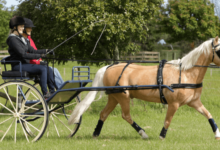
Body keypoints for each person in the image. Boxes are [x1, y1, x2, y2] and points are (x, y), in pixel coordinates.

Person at [7, 16, 55, 99]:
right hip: (18, 65)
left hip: (25, 64)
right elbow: (23, 55)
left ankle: (52, 91)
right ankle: (45, 93)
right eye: (21, 26)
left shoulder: (22, 38)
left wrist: (46, 51)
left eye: (23, 26)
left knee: (47, 68)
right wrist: (40, 56)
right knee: (42, 69)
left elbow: (33, 51)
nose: (23, 28)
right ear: (15, 27)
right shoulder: (12, 39)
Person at [22, 18, 64, 89]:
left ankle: (59, 89)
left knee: (54, 70)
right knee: (53, 70)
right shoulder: (25, 41)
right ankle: (61, 89)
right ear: (24, 29)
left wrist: (46, 51)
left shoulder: (29, 39)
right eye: (29, 28)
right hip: (31, 64)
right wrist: (39, 62)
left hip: (35, 63)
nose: (31, 30)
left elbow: (35, 51)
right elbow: (29, 55)